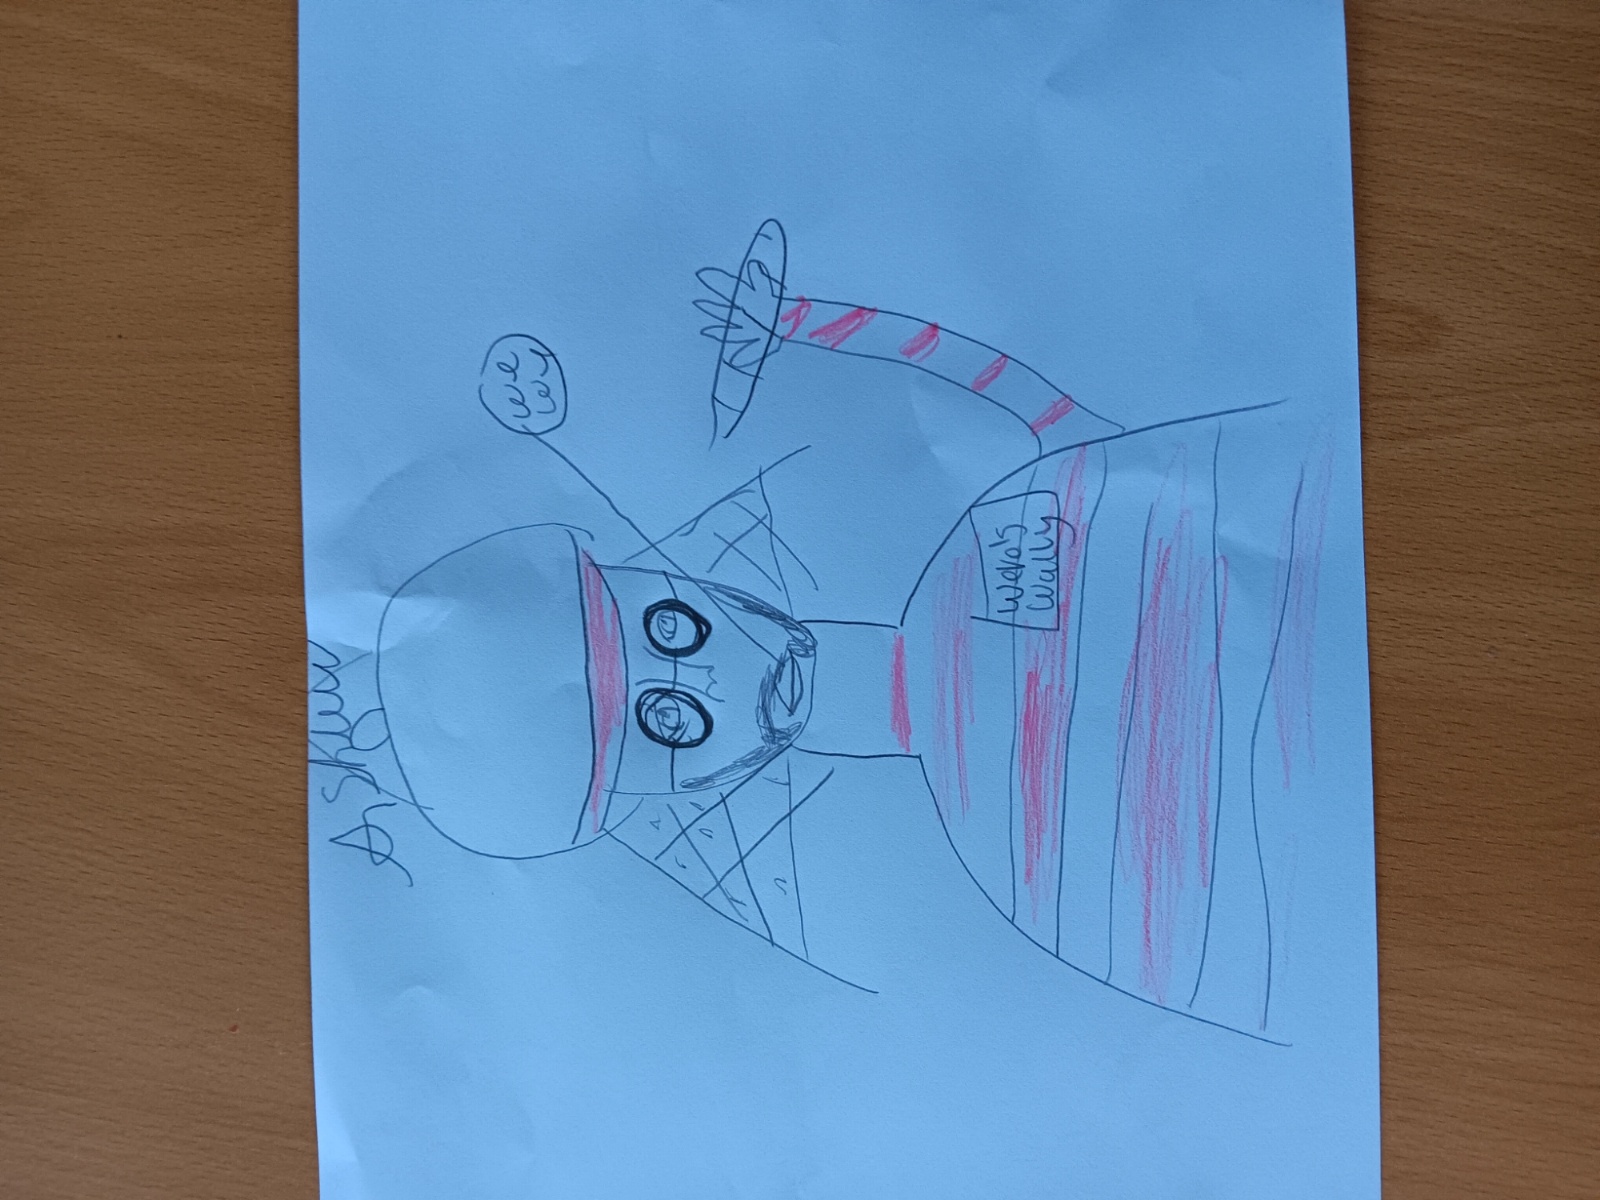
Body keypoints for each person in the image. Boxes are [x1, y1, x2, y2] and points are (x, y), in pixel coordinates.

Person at [368, 222, 1319, 1037]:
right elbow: (1255, 950)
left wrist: (805, 323)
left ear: (676, 578)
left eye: (671, 625)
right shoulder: (1023, 874)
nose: (708, 680)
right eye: (668, 722)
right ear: (672, 789)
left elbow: (1067, 427)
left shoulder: (996, 536)